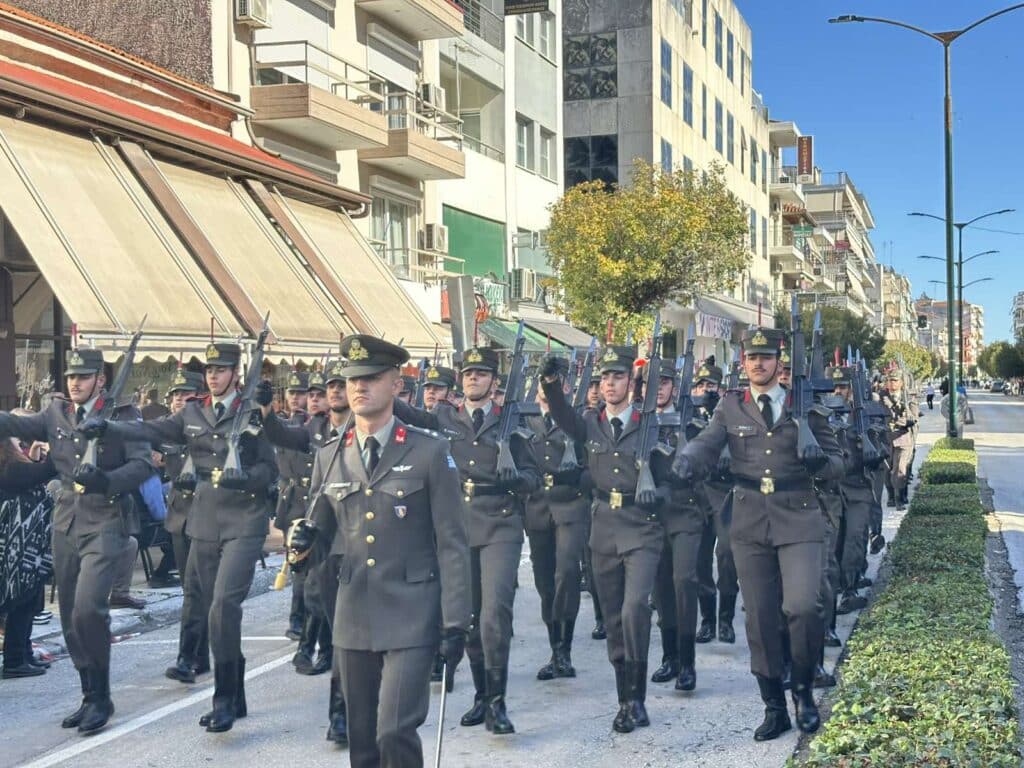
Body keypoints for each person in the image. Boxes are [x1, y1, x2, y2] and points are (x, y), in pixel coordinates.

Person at [80, 343, 278, 733]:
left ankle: (222, 700)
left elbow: (270, 469)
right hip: (203, 518)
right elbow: (149, 429)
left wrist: (247, 478)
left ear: (236, 373)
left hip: (244, 518)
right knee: (207, 604)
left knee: (224, 605)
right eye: (210, 370)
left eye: (221, 369)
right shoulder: (191, 412)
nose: (214, 376)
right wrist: (109, 426)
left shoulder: (253, 412)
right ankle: (235, 694)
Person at [672, 327, 845, 741]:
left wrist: (819, 461)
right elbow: (708, 444)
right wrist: (687, 459)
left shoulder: (808, 409)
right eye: (753, 357)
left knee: (803, 606)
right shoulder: (730, 407)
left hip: (799, 515)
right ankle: (774, 708)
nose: (759, 364)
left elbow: (841, 465)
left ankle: (802, 691)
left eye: (766, 357)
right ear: (743, 362)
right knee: (761, 619)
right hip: (749, 520)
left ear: (779, 363)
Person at [314, 334, 471, 768]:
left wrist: (455, 621)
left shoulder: (429, 451)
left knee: (394, 730)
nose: (358, 387)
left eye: (371, 378)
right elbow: (318, 534)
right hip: (355, 614)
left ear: (396, 385)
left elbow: (453, 542)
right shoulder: (330, 456)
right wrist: (300, 543)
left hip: (412, 613)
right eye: (352, 380)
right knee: (362, 742)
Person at [0, 349, 153, 734]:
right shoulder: (57, 413)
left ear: (100, 379)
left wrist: (108, 481)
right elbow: (19, 424)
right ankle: (90, 693)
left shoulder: (122, 415)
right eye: (71, 376)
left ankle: (102, 696)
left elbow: (143, 464)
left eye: (83, 376)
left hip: (105, 518)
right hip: (66, 521)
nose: (74, 382)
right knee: (69, 616)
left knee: (88, 610)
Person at [394, 346, 541, 736]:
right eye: (468, 372)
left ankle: (498, 702)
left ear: (494, 381)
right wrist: (385, 386)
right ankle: (481, 694)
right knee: (470, 617)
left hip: (501, 523)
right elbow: (408, 414)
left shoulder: (510, 422)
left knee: (495, 615)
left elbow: (534, 477)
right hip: (458, 525)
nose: (473, 378)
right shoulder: (445, 416)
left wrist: (517, 480)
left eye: (481, 373)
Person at [540, 345, 666, 734]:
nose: (609, 385)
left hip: (642, 528)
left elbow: (676, 477)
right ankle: (625, 699)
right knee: (613, 618)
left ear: (632, 382)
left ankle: (639, 698)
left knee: (634, 611)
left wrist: (657, 493)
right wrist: (550, 382)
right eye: (604, 379)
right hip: (603, 530)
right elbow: (560, 414)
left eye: (617, 377)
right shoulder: (590, 423)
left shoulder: (652, 425)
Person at [258, 360, 351, 746]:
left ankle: (347, 709)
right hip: (321, 529)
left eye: (339, 385)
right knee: (320, 601)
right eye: (328, 387)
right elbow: (282, 435)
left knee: (355, 625)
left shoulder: (369, 431)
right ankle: (339, 706)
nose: (332, 393)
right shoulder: (315, 429)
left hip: (362, 535)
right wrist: (264, 410)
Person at [523, 358, 587, 681]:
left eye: (560, 384)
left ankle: (565, 650)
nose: (550, 390)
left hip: (570, 506)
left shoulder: (578, 418)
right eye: (546, 384)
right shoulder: (525, 419)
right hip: (536, 507)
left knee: (566, 576)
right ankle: (554, 647)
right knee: (545, 582)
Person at [649, 360, 706, 693]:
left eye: (665, 382)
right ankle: (669, 656)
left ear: (675, 387)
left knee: (684, 581)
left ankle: (687, 662)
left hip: (685, 511)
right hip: (652, 516)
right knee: (661, 590)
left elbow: (707, 464)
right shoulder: (638, 423)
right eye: (653, 382)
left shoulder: (692, 424)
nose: (659, 388)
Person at [161, 370, 210, 685]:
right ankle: (199, 656)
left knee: (198, 589)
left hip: (208, 517)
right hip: (180, 517)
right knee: (190, 590)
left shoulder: (208, 428)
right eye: (176, 394)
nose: (180, 399)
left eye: (187, 395)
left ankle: (188, 657)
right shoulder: (168, 432)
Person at [0, 432, 56, 679]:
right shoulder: (11, 469)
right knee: (20, 603)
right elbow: (46, 471)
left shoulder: (15, 467)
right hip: (19, 549)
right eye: (16, 441)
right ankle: (14, 660)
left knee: (29, 601)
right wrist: (59, 445)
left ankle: (23, 654)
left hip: (26, 547)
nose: (20, 444)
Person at [691, 361, 738, 645]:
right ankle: (707, 619)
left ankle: (726, 619)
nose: (705, 390)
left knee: (728, 556)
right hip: (696, 495)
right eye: (701, 385)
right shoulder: (687, 414)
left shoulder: (731, 416)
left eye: (711, 385)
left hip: (725, 493)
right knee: (699, 561)